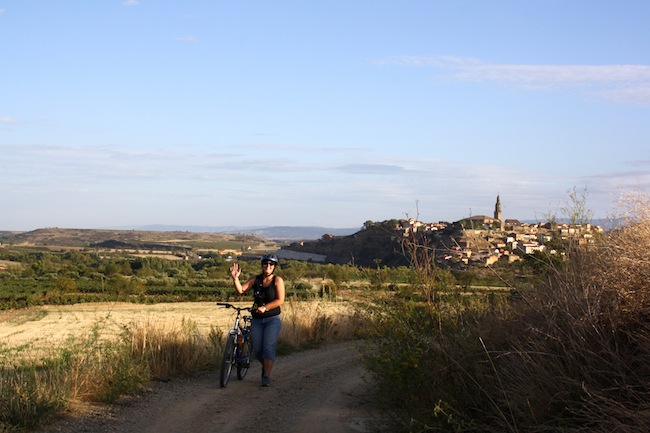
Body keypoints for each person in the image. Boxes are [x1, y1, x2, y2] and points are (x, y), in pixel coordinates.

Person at [229, 254, 285, 387]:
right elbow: (241, 290)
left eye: (271, 265)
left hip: (272, 319)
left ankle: (266, 376)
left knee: (268, 347)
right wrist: (235, 278)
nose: (268, 266)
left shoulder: (277, 280)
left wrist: (265, 308)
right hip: (257, 320)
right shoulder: (256, 279)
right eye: (266, 264)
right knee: (258, 350)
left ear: (274, 267)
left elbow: (280, 300)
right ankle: (266, 366)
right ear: (262, 265)